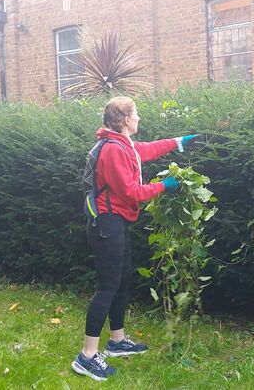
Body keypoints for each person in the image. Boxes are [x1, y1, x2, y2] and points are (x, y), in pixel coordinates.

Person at [71, 96, 198, 381]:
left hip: (117, 222)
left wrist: (178, 141)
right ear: (125, 119)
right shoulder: (113, 150)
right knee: (107, 287)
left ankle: (116, 341)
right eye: (136, 114)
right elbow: (132, 192)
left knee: (122, 280)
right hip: (107, 224)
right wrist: (165, 185)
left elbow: (146, 150)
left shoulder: (123, 145)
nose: (139, 118)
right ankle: (87, 356)